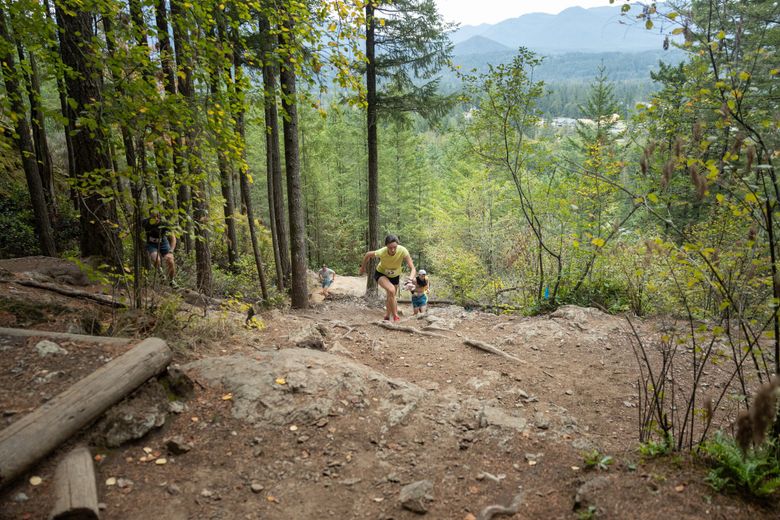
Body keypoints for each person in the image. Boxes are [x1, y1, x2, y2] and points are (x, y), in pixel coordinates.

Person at [359, 234, 416, 322]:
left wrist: (410, 280)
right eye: (390, 247)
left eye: (395, 247)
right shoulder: (382, 252)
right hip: (381, 273)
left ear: (398, 245)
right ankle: (395, 316)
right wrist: (363, 267)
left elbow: (412, 268)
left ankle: (387, 315)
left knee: (391, 295)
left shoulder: (403, 250)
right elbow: (368, 254)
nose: (392, 250)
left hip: (395, 275)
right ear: (386, 246)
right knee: (392, 290)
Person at [142, 211, 177, 287]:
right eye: (153, 217)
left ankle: (172, 281)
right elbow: (134, 225)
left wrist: (171, 251)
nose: (156, 219)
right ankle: (160, 273)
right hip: (151, 244)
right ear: (150, 216)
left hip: (163, 243)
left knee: (170, 260)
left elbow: (173, 238)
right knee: (156, 259)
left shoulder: (164, 223)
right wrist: (126, 232)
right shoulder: (146, 222)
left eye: (157, 217)